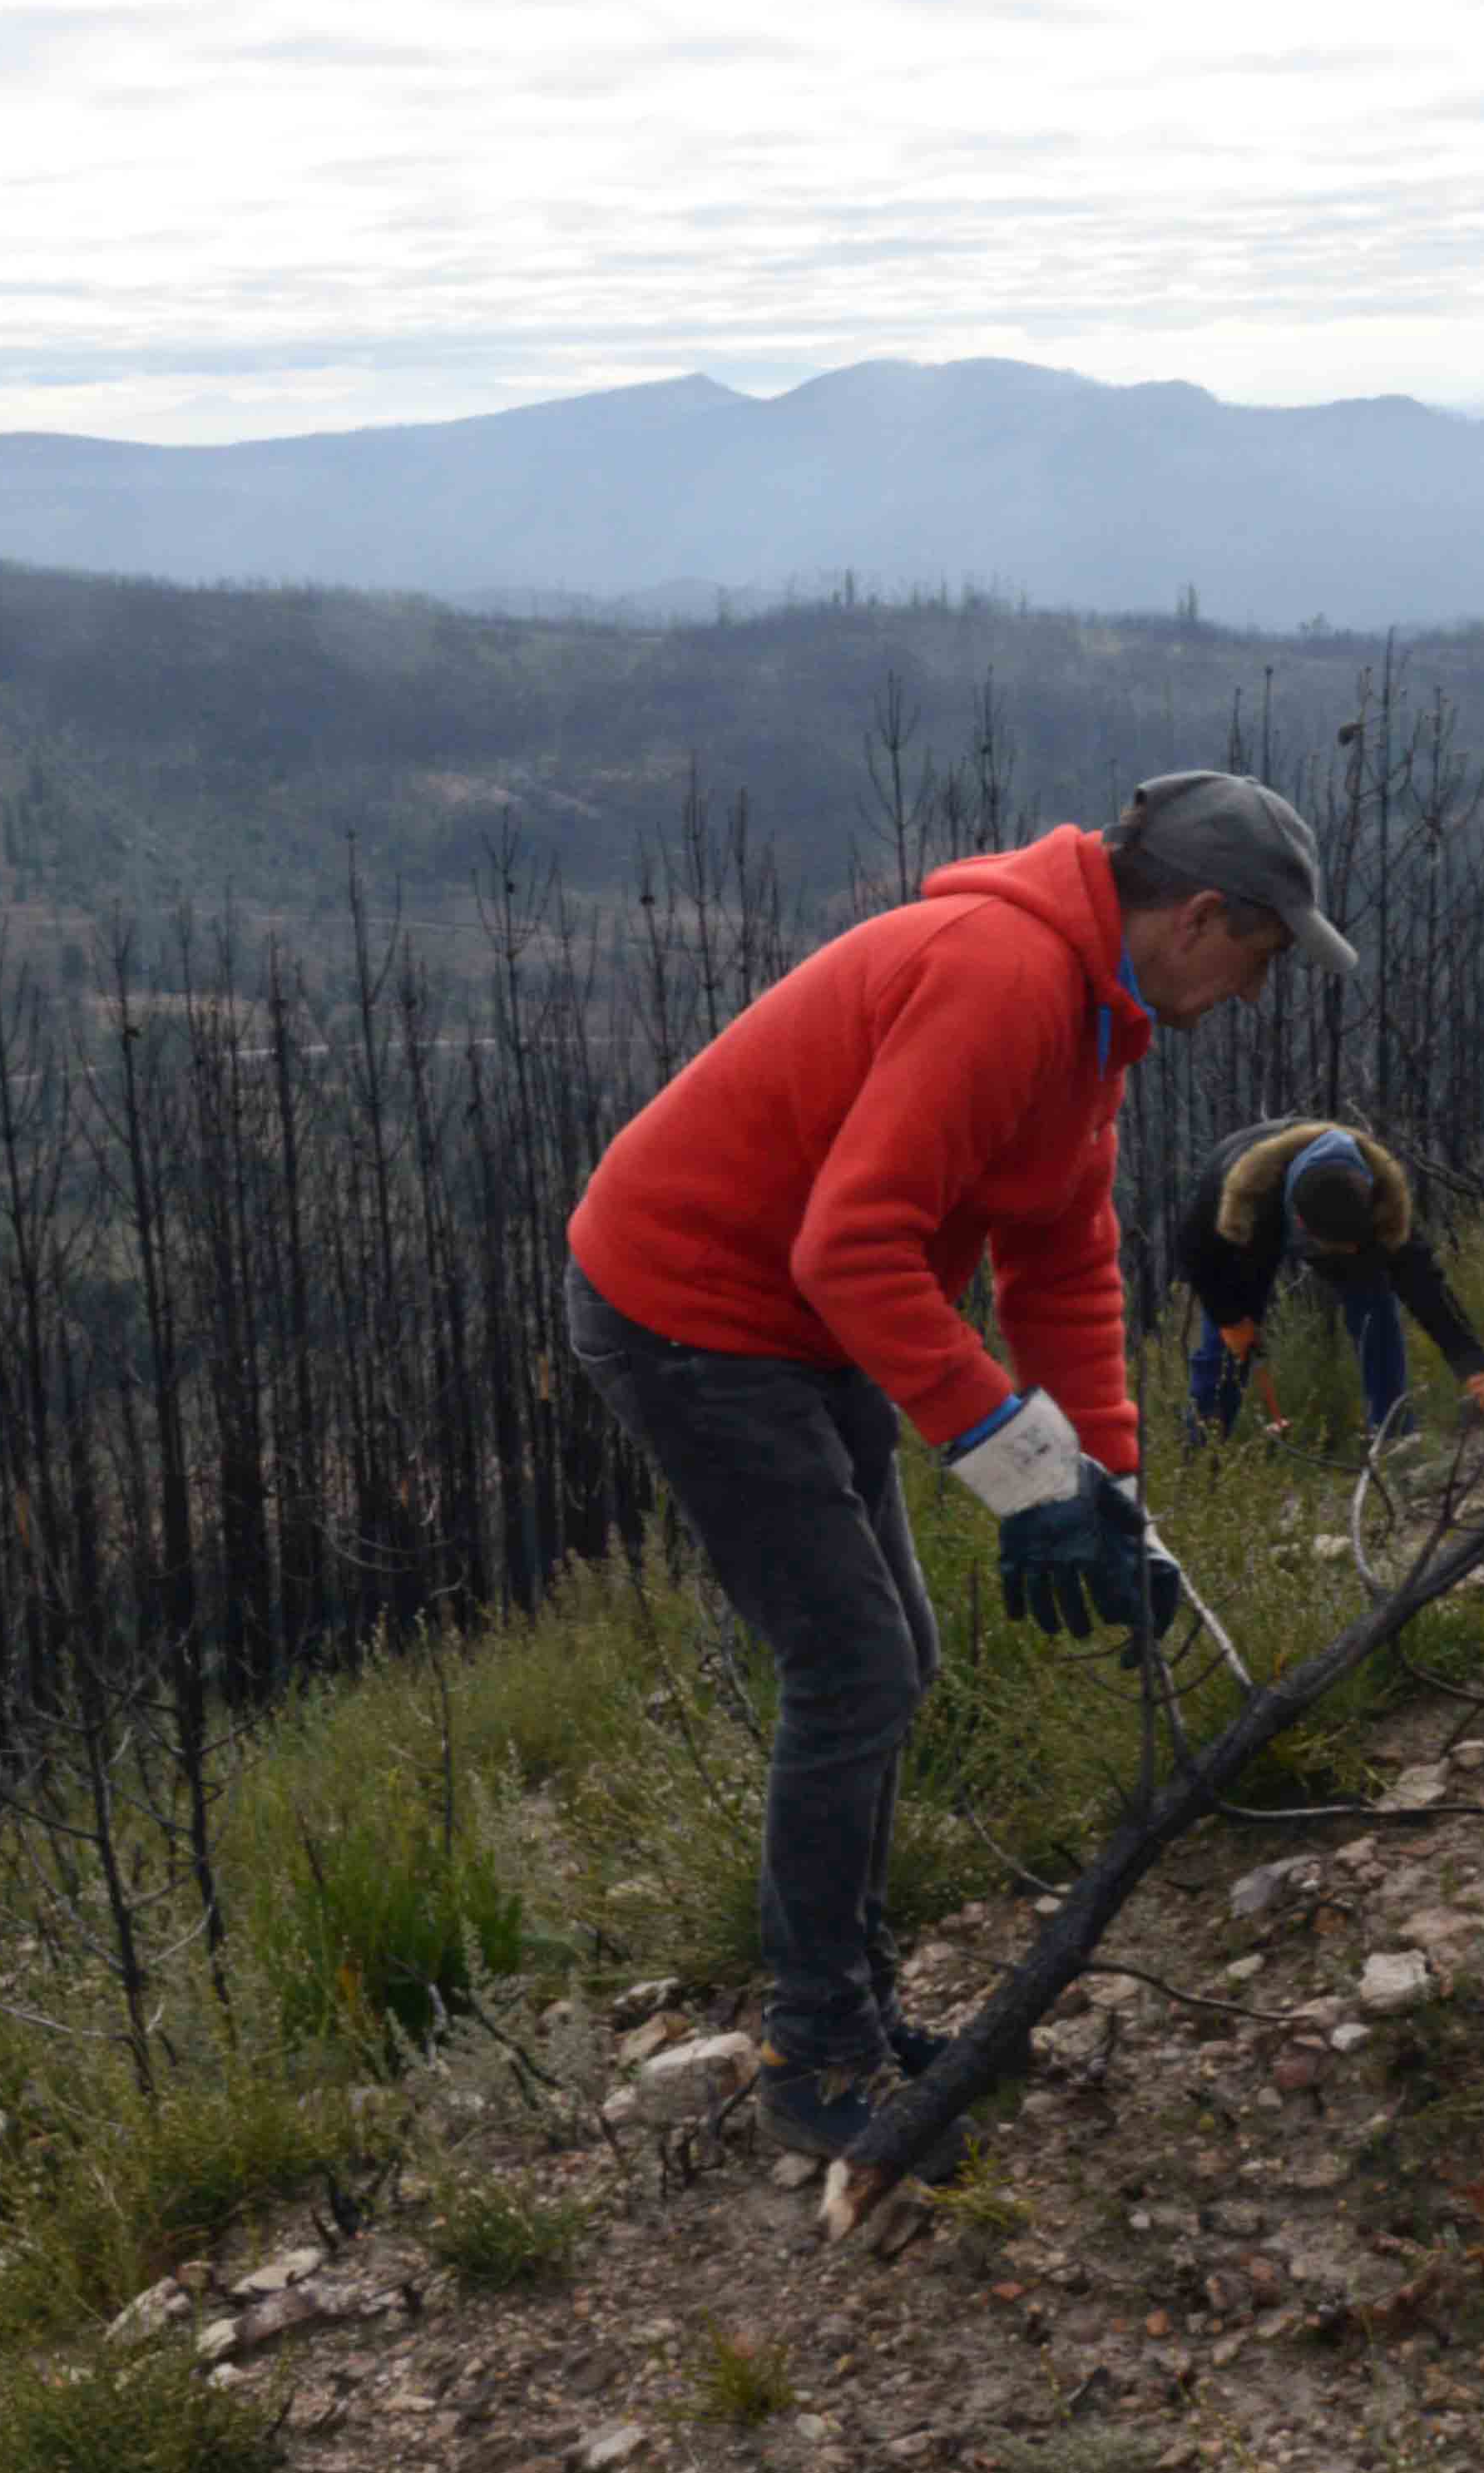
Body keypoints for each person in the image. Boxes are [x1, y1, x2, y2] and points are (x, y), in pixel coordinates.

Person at [563, 769, 1343, 2162]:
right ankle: (814, 2055)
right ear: (1201, 915)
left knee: (898, 1654)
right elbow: (849, 1247)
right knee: (853, 1660)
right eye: (1260, 957)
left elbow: (1059, 1257)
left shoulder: (1094, 1017)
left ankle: (847, 2008)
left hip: (807, 1321)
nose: (1252, 992)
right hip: (693, 1309)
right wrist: (1017, 1474)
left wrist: (1102, 1486)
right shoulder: (1005, 978)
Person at [1168, 1116, 1484, 1442]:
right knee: (1227, 1349)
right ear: (1301, 1223)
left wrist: (1474, 1370)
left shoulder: (1380, 1197)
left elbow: (1424, 1285)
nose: (1344, 1255)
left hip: (1332, 1217)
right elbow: (1198, 1256)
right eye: (1335, 1249)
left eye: (1352, 1246)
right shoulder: (1238, 1193)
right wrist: (1231, 1319)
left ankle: (1392, 1439)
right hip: (1256, 1227)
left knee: (1376, 1310)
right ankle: (1201, 1453)